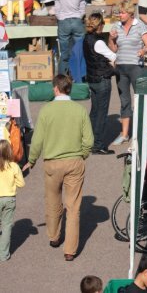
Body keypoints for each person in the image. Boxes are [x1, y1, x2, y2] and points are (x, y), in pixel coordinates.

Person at [23, 75, 94, 261]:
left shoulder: (47, 111)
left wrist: (31, 160)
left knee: (53, 201)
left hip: (52, 163)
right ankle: (70, 250)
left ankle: (54, 236)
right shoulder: (80, 110)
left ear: (56, 89)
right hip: (74, 161)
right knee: (73, 208)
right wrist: (82, 154)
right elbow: (89, 140)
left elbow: (37, 140)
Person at [108, 0, 147, 146]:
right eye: (119, 12)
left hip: (135, 67)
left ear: (130, 13)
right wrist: (111, 39)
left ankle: (141, 132)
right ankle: (125, 134)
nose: (120, 15)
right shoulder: (116, 26)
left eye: (122, 12)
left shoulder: (140, 25)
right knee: (125, 101)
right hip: (121, 68)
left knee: (140, 99)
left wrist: (143, 50)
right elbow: (113, 49)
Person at [83, 13, 116, 155]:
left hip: (92, 78)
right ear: (100, 25)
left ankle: (89, 142)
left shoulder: (86, 39)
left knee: (95, 112)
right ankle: (98, 145)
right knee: (101, 113)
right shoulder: (99, 42)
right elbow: (113, 56)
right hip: (102, 79)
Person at [55, 0, 86, 75]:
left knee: (64, 53)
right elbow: (82, 9)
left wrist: (61, 18)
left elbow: (57, 10)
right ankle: (79, 76)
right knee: (79, 52)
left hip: (64, 22)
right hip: (77, 21)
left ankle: (62, 78)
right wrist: (78, 17)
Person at [0, 140, 25, 262]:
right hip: (9, 199)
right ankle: (3, 254)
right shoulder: (14, 166)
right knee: (6, 226)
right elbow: (21, 183)